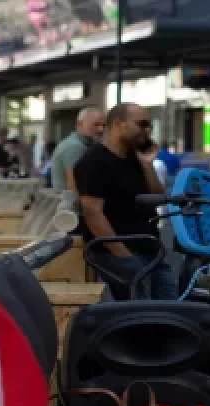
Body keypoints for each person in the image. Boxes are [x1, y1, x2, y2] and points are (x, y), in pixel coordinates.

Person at [73, 102, 174, 301]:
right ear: (119, 124)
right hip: (120, 254)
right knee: (141, 315)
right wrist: (124, 257)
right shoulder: (94, 162)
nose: (146, 131)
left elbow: (157, 195)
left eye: (149, 126)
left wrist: (147, 165)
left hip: (150, 248)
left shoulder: (133, 158)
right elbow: (93, 214)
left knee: (170, 309)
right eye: (141, 124)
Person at [51, 107, 105, 191]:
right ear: (79, 125)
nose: (101, 129)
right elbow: (73, 185)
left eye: (103, 125)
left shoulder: (83, 144)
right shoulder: (75, 146)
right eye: (96, 124)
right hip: (70, 202)